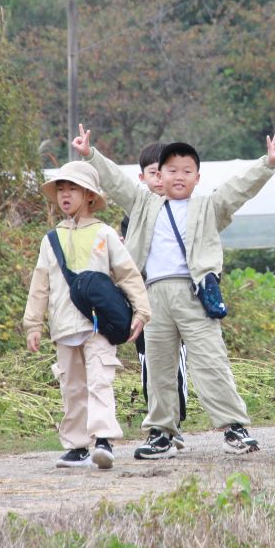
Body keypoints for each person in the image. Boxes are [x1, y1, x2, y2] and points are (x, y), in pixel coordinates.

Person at [72, 125, 275, 458]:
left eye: (187, 171)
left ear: (198, 177)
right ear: (160, 175)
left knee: (211, 362)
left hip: (193, 294)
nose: (179, 176)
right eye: (171, 170)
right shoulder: (144, 204)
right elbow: (116, 182)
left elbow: (239, 189)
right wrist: (90, 154)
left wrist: (267, 163)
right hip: (152, 295)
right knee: (157, 367)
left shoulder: (208, 207)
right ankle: (162, 433)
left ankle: (234, 428)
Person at [23, 161, 151, 470]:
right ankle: (77, 446)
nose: (65, 195)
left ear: (89, 196)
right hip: (64, 324)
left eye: (73, 190)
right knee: (72, 386)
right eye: (61, 190)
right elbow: (40, 284)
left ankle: (103, 440)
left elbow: (128, 275)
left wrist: (142, 312)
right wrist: (33, 324)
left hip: (99, 325)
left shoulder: (104, 233)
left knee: (99, 381)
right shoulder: (50, 240)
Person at [121, 142, 190, 449]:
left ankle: (173, 424)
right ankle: (159, 427)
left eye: (165, 172)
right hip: (145, 305)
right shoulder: (132, 217)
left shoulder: (188, 210)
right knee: (150, 366)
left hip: (181, 303)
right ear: (143, 177)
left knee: (178, 367)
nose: (160, 179)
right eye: (154, 173)